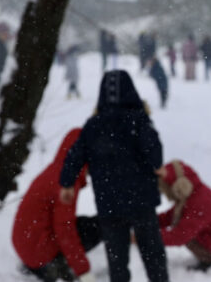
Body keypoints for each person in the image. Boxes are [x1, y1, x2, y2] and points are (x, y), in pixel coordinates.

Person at [60, 70, 169, 282]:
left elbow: (74, 155)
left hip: (109, 203)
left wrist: (67, 183)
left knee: (117, 260)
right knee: (153, 254)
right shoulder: (139, 121)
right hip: (141, 202)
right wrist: (156, 165)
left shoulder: (93, 125)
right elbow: (155, 155)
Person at [13, 128, 102, 282]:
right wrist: (83, 271)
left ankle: (46, 262)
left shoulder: (55, 171)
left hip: (27, 246)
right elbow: (65, 229)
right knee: (102, 225)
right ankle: (55, 266)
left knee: (86, 223)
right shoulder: (66, 181)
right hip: (38, 255)